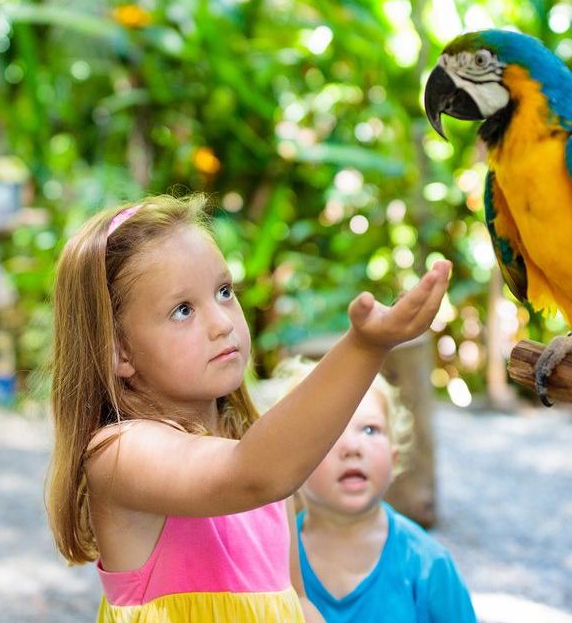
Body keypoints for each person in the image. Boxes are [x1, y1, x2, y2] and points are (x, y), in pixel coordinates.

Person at [43, 194, 451, 622]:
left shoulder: (256, 456)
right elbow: (252, 473)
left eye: (223, 292)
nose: (222, 323)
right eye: (183, 310)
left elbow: (295, 601)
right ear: (120, 351)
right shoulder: (120, 453)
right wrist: (365, 346)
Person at [267, 358, 477, 623]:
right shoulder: (272, 562)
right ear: (292, 466)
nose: (352, 447)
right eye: (330, 431)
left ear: (394, 457)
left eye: (369, 429)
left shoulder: (429, 564)